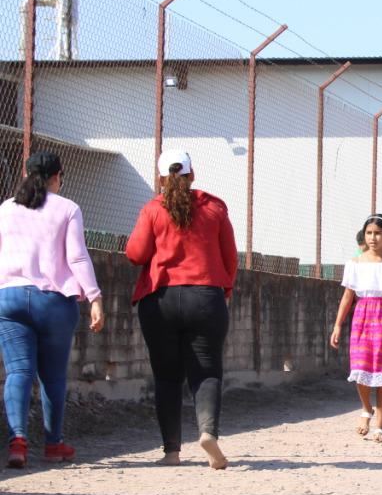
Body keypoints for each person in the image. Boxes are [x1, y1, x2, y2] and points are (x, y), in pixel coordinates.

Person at [126, 149, 237, 468]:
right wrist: (223, 290)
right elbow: (230, 257)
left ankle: (171, 451)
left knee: (166, 376)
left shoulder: (152, 209)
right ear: (193, 174)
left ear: (160, 178)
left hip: (160, 299)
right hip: (205, 296)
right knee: (206, 370)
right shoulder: (214, 208)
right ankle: (208, 433)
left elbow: (135, 253)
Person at [0, 151, 106, 468]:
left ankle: (17, 440)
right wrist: (94, 297)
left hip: (9, 298)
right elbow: (76, 258)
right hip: (53, 301)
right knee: (53, 377)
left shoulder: (5, 209)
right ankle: (53, 443)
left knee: (18, 372)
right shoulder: (68, 208)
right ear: (57, 176)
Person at [329, 214, 382, 441]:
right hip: (362, 319)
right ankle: (366, 408)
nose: (373, 237)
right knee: (360, 368)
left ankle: (380, 424)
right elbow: (347, 297)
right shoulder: (355, 263)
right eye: (369, 233)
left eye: (378, 233)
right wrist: (337, 325)